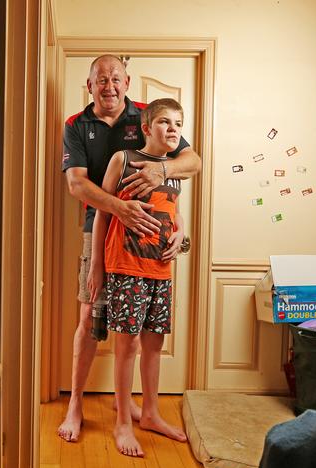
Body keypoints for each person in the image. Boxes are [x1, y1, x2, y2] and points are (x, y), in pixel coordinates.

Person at [58, 55, 201, 442]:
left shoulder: (148, 116)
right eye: (100, 79)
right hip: (100, 230)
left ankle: (142, 410)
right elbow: (76, 185)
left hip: (152, 247)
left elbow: (191, 160)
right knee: (90, 318)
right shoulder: (75, 125)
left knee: (146, 335)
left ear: (127, 82)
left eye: (116, 78)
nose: (109, 85)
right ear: (89, 86)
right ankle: (75, 404)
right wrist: (119, 207)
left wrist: (164, 172)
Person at [88, 98, 188, 457]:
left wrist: (181, 233)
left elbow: (174, 214)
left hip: (161, 269)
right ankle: (123, 423)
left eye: (178, 122)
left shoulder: (174, 170)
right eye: (164, 122)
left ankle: (151, 413)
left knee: (154, 345)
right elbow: (101, 212)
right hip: (126, 268)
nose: (173, 128)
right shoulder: (124, 160)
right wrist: (97, 267)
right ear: (147, 128)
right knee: (126, 346)